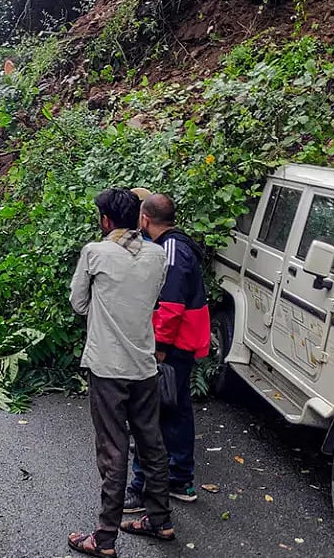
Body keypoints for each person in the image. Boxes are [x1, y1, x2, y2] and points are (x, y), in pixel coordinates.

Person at [66, 188, 176, 557]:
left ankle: (105, 537)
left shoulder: (95, 253)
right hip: (144, 365)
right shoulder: (157, 255)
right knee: (152, 443)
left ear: (106, 221)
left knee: (113, 450)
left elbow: (79, 304)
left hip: (108, 367)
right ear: (140, 218)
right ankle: (160, 521)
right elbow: (154, 298)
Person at [124, 193, 210, 511]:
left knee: (150, 413)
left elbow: (171, 306)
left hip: (173, 345)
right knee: (175, 409)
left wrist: (158, 347)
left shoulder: (171, 251)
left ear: (145, 219)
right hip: (182, 343)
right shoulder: (174, 244)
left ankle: (141, 488)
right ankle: (179, 480)